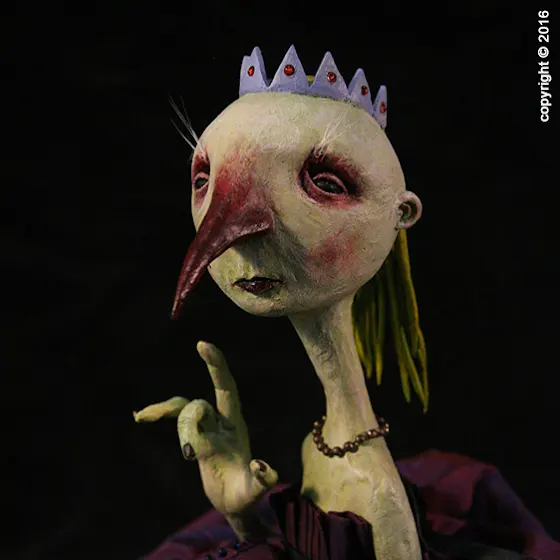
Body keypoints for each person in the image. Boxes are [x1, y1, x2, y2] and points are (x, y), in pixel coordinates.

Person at [134, 46, 560, 560]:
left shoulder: (376, 491)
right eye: (206, 180)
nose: (232, 233)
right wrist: (242, 514)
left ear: (402, 214)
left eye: (325, 183)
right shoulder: (318, 443)